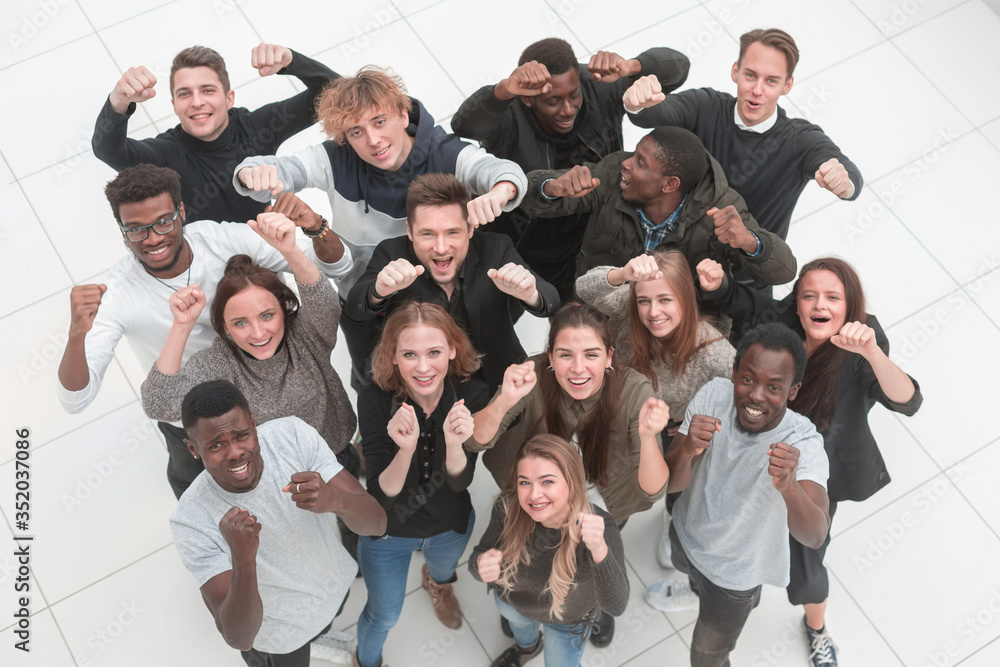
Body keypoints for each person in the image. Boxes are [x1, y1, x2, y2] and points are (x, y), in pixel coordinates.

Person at [57, 164, 351, 498]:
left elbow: (335, 268)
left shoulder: (222, 239)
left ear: (181, 212)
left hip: (264, 388)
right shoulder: (119, 293)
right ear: (121, 230)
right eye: (136, 230)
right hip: (188, 408)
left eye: (164, 221)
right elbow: (76, 400)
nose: (153, 238)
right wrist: (76, 335)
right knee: (206, 496)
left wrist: (313, 227)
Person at [232, 66, 527, 384]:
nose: (373, 140)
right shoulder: (334, 158)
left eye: (379, 121)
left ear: (403, 114)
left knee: (452, 374)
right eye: (356, 131)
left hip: (435, 296)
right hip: (363, 299)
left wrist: (500, 191)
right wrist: (251, 172)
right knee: (372, 378)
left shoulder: (445, 151)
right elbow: (279, 169)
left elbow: (497, 170)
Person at [694, 257, 922, 667]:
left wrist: (870, 352)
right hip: (756, 462)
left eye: (833, 297)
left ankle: (817, 628)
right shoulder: (782, 330)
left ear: (849, 306)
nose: (820, 305)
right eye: (810, 296)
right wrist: (717, 284)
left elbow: (907, 400)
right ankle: (719, 588)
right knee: (728, 532)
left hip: (815, 474)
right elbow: (742, 303)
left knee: (807, 559)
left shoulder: (861, 344)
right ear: (796, 304)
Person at [140, 208, 361, 556]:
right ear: (224, 328)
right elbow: (158, 404)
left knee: (352, 516)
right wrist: (181, 325)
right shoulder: (217, 362)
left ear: (285, 310)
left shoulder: (305, 334)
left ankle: (353, 544)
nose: (258, 333)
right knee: (300, 542)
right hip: (273, 479)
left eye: (267, 315)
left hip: (333, 452)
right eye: (240, 323)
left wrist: (290, 250)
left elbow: (324, 299)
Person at [470, 302, 672, 647]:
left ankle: (594, 608)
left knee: (597, 558)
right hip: (534, 492)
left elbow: (653, 490)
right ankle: (525, 606)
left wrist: (649, 437)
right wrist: (504, 400)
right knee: (532, 549)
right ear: (549, 356)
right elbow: (474, 441)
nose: (578, 369)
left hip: (603, 499)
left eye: (591, 355)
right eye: (565, 355)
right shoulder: (532, 374)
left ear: (609, 357)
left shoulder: (634, 390)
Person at [451, 37, 690, 300]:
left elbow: (679, 67)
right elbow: (463, 126)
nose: (568, 109)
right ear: (529, 99)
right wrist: (505, 89)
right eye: (553, 101)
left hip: (584, 246)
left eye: (574, 95)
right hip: (518, 246)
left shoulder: (598, 85)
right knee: (489, 321)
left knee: (575, 325)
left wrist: (632, 66)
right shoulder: (511, 115)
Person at [170, 380, 386, 667]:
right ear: (193, 449)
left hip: (332, 588)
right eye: (216, 445)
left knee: (324, 625)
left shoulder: (291, 435)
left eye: (242, 435)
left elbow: (379, 524)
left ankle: (319, 638)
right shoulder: (190, 520)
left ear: (255, 425)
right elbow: (238, 637)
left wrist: (335, 500)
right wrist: (243, 560)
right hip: (277, 636)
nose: (234, 453)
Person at [659, 323, 831, 667]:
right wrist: (688, 448)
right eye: (748, 379)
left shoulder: (803, 442)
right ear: (735, 372)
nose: (756, 395)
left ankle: (729, 600)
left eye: (774, 387)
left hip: (736, 577)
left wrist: (790, 487)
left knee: (707, 656)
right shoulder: (713, 394)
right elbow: (671, 484)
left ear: (793, 391)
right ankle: (695, 592)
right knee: (689, 576)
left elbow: (815, 536)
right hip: (686, 535)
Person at [622, 28, 862, 241]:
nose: (757, 90)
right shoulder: (705, 105)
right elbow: (660, 111)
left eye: (771, 81)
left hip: (747, 275)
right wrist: (638, 103)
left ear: (787, 85)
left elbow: (849, 175)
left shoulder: (800, 139)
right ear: (735, 71)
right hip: (680, 249)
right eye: (750, 75)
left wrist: (844, 182)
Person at [575, 249, 735, 569]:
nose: (653, 312)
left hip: (664, 435)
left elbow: (741, 396)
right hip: (613, 417)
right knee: (602, 483)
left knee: (664, 485)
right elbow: (584, 288)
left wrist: (691, 422)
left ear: (686, 299)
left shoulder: (712, 349)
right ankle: (597, 531)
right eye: (644, 300)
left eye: (665, 300)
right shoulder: (627, 311)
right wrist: (622, 274)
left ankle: (664, 522)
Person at [354, 302, 490, 667]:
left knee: (444, 571)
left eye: (434, 352)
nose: (424, 367)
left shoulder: (472, 396)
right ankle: (366, 662)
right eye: (409, 354)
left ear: (452, 350)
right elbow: (381, 496)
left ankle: (438, 584)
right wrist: (406, 449)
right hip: (388, 533)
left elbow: (461, 482)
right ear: (393, 357)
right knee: (384, 616)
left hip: (450, 525)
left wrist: (456, 444)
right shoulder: (373, 399)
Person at [345, 173, 560, 389]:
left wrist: (529, 294)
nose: (441, 247)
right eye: (428, 234)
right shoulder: (391, 252)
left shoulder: (496, 248)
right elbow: (354, 308)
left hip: (500, 383)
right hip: (424, 392)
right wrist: (377, 291)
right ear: (410, 231)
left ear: (470, 229)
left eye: (452, 233)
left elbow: (551, 301)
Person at [518, 126, 797, 286]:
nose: (627, 163)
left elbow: (785, 271)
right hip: (601, 307)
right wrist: (552, 188)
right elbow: (526, 196)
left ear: (669, 184)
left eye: (641, 162)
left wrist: (749, 241)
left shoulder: (721, 208)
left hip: (674, 328)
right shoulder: (616, 171)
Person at [93, 44, 339, 223]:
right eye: (185, 93)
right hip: (204, 275)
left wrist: (292, 61)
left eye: (207, 90)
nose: (197, 102)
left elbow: (340, 95)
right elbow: (109, 150)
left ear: (229, 98)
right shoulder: (165, 152)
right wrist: (118, 101)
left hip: (265, 260)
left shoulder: (257, 127)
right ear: (174, 105)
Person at [470, 434, 629, 666]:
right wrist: (480, 565)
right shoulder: (508, 508)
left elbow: (616, 606)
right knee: (520, 629)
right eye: (525, 482)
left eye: (547, 481)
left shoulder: (598, 527)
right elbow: (480, 555)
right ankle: (528, 647)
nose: (534, 495)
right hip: (513, 603)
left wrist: (599, 549)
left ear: (571, 482)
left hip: (567, 621)